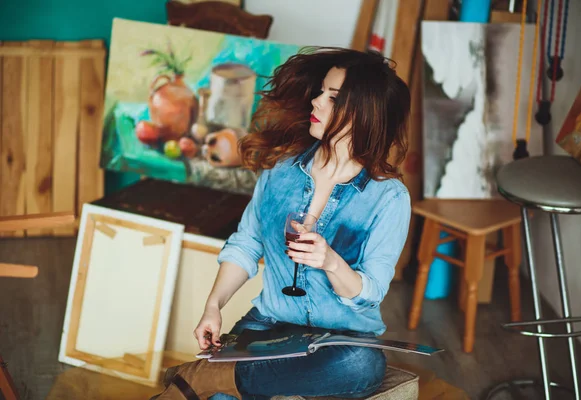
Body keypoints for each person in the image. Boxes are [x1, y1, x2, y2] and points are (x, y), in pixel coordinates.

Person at [153, 47, 412, 400]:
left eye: (332, 98)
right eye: (320, 91)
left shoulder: (388, 197)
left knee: (360, 366)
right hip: (269, 326)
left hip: (340, 339)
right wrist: (213, 306)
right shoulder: (282, 169)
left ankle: (207, 375)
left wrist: (331, 262)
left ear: (364, 114)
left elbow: (371, 292)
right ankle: (220, 378)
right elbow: (247, 243)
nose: (317, 102)